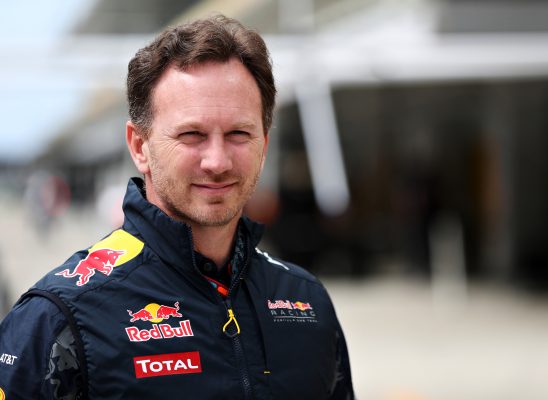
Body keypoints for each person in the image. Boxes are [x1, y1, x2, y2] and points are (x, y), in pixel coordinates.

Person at [0, 15, 354, 399]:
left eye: (239, 133)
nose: (217, 161)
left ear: (264, 145)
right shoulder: (58, 317)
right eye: (191, 135)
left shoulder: (308, 304)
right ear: (140, 147)